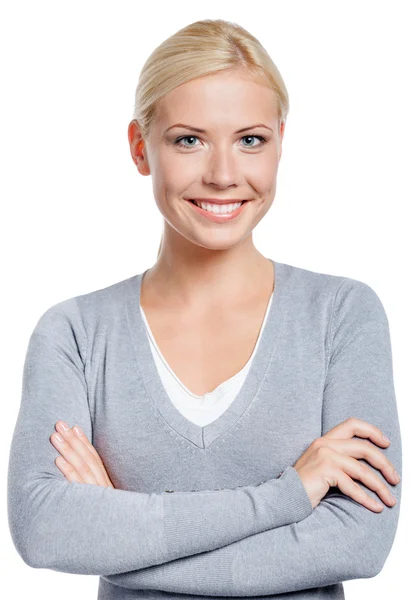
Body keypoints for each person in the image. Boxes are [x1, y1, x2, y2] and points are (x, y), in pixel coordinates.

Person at [7, 18, 401, 600]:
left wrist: (121, 532)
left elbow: (358, 543)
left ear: (280, 144)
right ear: (142, 149)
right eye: (188, 139)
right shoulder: (76, 334)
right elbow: (43, 531)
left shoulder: (341, 316)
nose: (222, 174)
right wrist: (289, 494)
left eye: (251, 139)